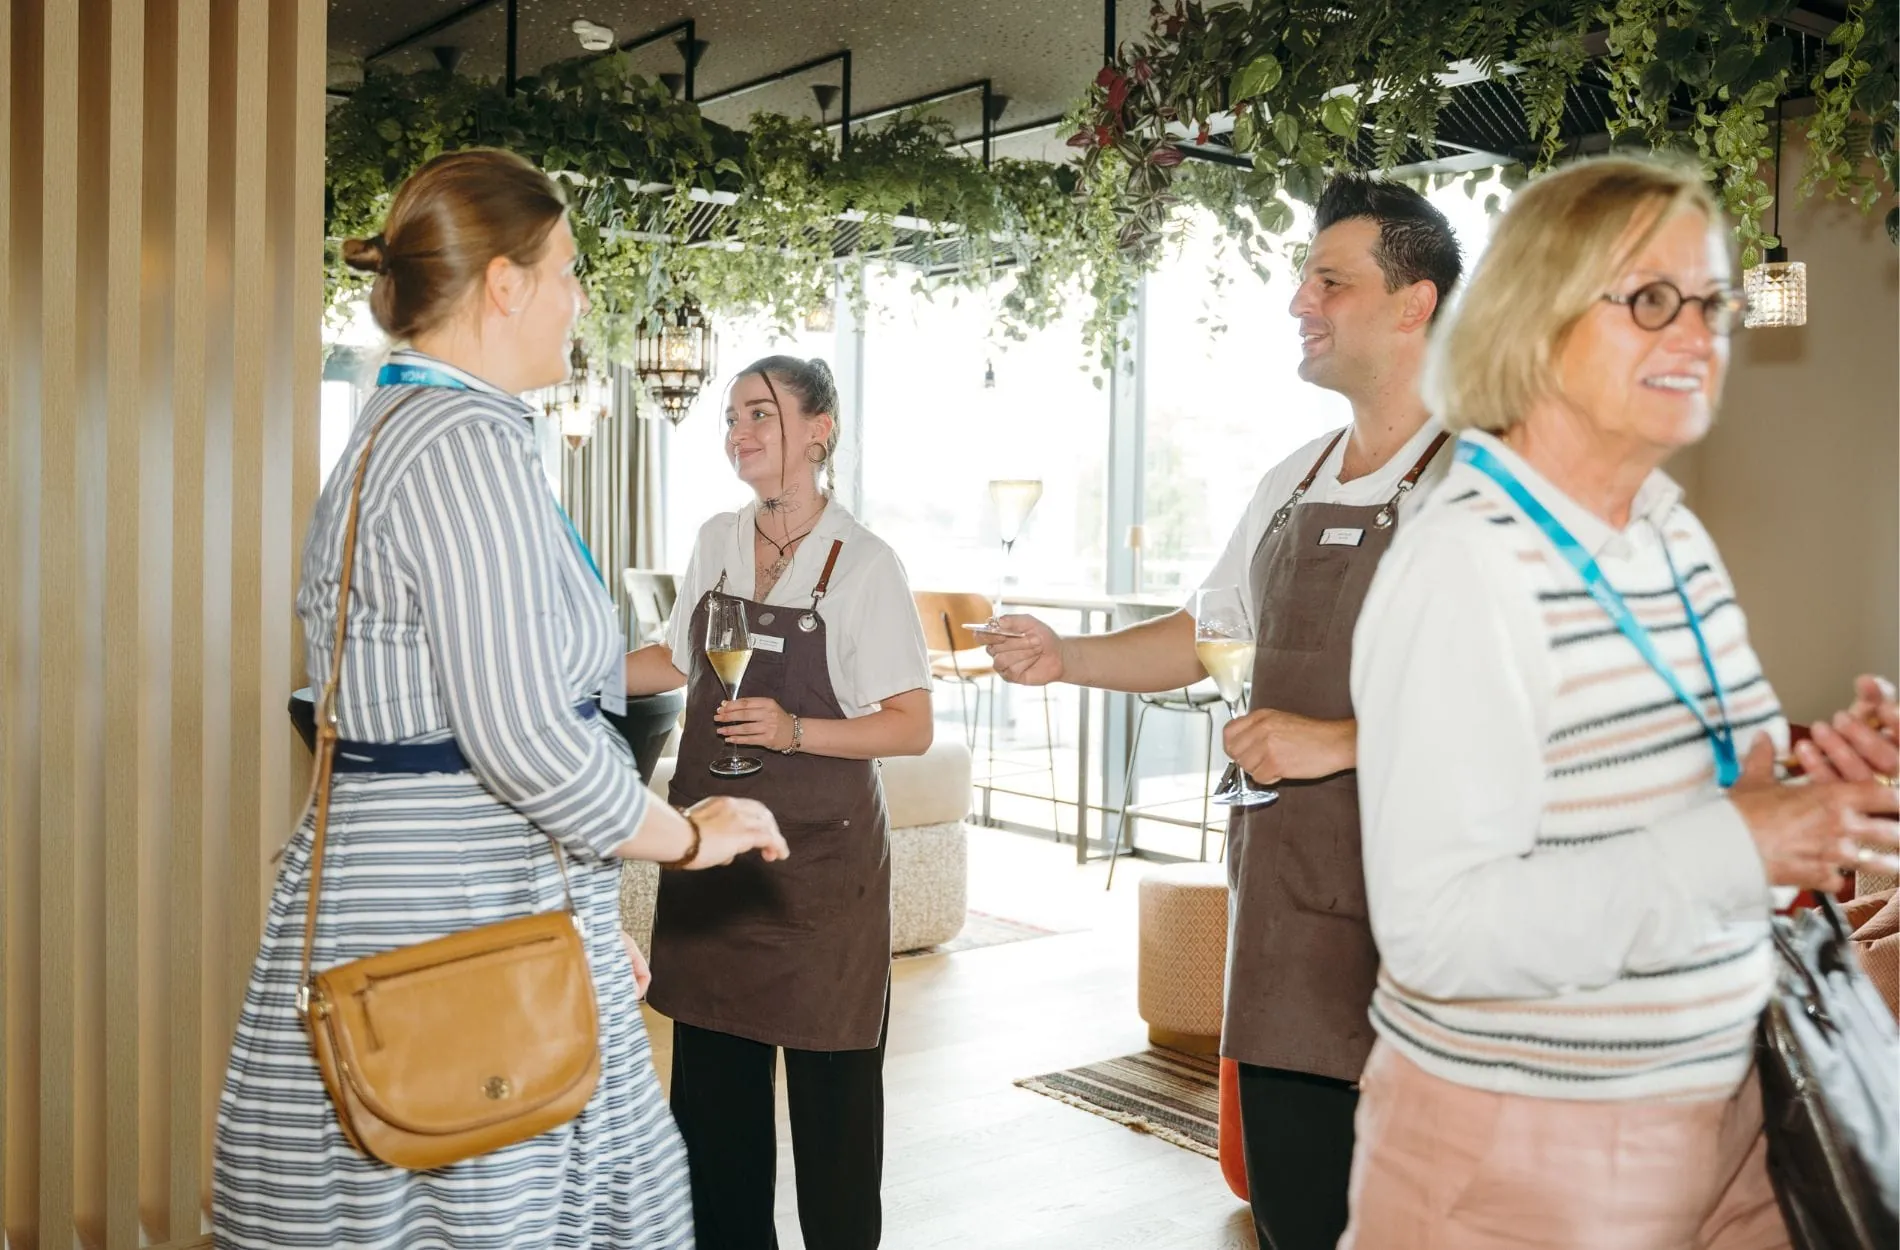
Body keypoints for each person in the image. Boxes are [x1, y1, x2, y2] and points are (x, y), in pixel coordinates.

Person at [214, 148, 788, 1249]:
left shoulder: (403, 429)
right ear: (505, 284)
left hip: (448, 905)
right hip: (451, 928)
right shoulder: (464, 445)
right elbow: (523, 738)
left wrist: (571, 909)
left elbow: (483, 703)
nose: (580, 300)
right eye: (567, 270)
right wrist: (685, 835)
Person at [1344, 154, 1900, 1249]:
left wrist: (1813, 785)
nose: (1697, 337)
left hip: (1730, 1102)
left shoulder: (1666, 529)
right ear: (1533, 318)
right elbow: (1437, 934)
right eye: (1651, 300)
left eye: (1711, 302)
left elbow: (1693, 791)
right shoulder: (1464, 565)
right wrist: (1739, 843)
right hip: (1523, 1155)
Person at [986, 174, 1463, 1250]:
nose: (1300, 299)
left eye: (1329, 280)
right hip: (1285, 920)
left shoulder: (1479, 483)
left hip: (1423, 944)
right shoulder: (1292, 482)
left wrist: (1336, 740)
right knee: (1293, 1209)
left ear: (1413, 302)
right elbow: (1203, 630)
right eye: (1303, 276)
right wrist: (1064, 656)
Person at [624, 355, 933, 1250]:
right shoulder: (718, 538)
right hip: (716, 857)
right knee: (712, 1123)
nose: (738, 434)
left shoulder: (865, 563)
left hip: (818, 875)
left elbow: (910, 725)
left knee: (835, 1128)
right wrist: (570, 673)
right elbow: (676, 661)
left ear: (819, 431)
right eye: (730, 419)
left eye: (760, 414)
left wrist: (796, 731)